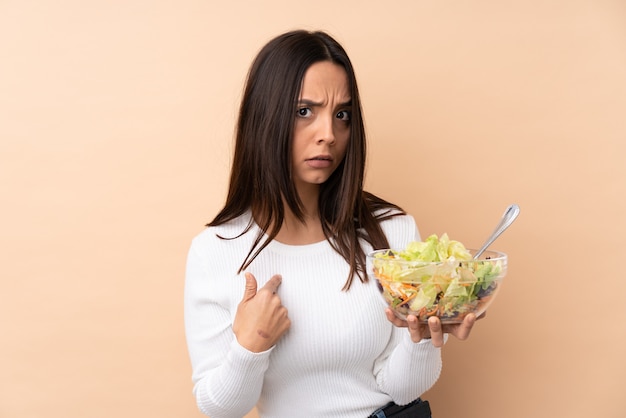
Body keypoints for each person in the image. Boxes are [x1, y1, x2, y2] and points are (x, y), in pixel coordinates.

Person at [184, 29, 479, 418]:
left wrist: (421, 338)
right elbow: (220, 408)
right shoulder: (217, 250)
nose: (329, 135)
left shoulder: (392, 232)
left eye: (342, 115)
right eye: (304, 111)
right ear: (265, 118)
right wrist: (251, 345)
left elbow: (401, 387)